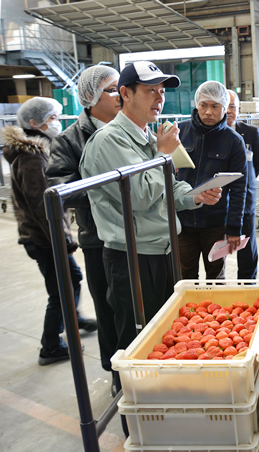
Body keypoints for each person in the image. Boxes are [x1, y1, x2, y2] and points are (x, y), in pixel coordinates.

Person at [79, 61, 222, 358]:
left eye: (161, 91)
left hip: (163, 251)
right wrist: (162, 155)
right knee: (136, 341)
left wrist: (195, 196)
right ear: (125, 94)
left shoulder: (147, 137)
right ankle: (130, 398)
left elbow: (167, 189)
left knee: (165, 334)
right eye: (149, 91)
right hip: (132, 256)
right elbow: (141, 196)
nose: (159, 98)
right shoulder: (108, 141)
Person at [3, 97, 97, 366]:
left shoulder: (34, 152)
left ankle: (73, 318)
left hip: (40, 234)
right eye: (53, 118)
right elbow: (43, 206)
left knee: (72, 278)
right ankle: (51, 345)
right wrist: (63, 239)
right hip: (43, 237)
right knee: (61, 290)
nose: (57, 122)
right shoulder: (33, 158)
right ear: (35, 123)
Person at [46, 65, 121, 390]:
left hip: (136, 233)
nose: (123, 95)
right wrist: (109, 184)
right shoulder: (69, 140)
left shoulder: (129, 129)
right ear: (91, 97)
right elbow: (59, 185)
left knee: (134, 305)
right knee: (107, 307)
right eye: (114, 89)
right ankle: (116, 370)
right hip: (98, 238)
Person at [175, 81, 247, 280]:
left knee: (215, 276)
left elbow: (239, 189)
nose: (208, 112)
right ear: (196, 104)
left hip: (215, 223)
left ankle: (214, 312)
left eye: (215, 106)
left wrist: (234, 228)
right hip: (183, 221)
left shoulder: (233, 141)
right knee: (185, 276)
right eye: (204, 105)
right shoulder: (179, 133)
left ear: (225, 108)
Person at [227, 89, 259, 279]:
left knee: (247, 248)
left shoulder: (250, 132)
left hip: (245, 199)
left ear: (239, 109)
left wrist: (247, 180)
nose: (228, 111)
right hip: (219, 200)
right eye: (224, 106)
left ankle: (248, 284)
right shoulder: (212, 135)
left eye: (232, 106)